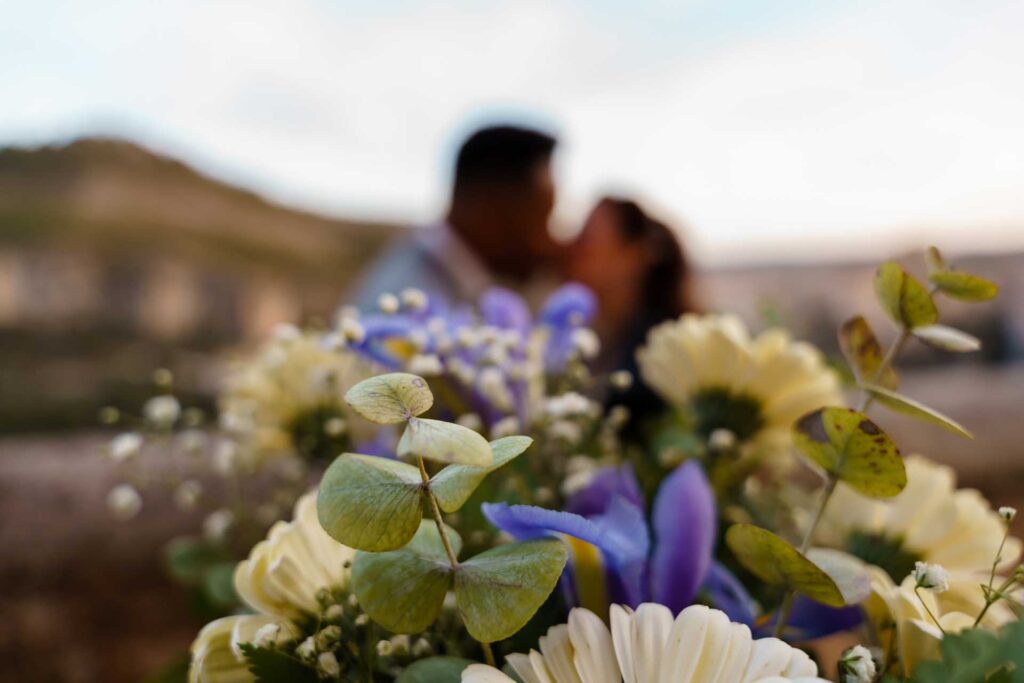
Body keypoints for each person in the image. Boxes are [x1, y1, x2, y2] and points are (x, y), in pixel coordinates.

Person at [352, 124, 561, 310]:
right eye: (544, 218)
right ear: (488, 209)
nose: (552, 241)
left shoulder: (450, 281)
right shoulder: (408, 300)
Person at [567, 196, 699, 416]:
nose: (571, 248)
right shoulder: (596, 338)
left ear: (633, 255)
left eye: (586, 240)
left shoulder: (659, 357)